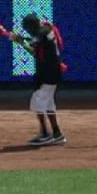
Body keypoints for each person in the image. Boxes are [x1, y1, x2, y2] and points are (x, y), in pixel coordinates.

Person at [12, 13, 66, 146]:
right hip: (48, 71)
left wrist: (19, 40)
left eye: (28, 29)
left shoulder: (42, 33)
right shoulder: (47, 29)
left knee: (38, 101)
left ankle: (45, 133)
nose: (28, 32)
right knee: (48, 103)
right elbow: (36, 51)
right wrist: (21, 41)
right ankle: (56, 133)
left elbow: (33, 45)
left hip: (50, 72)